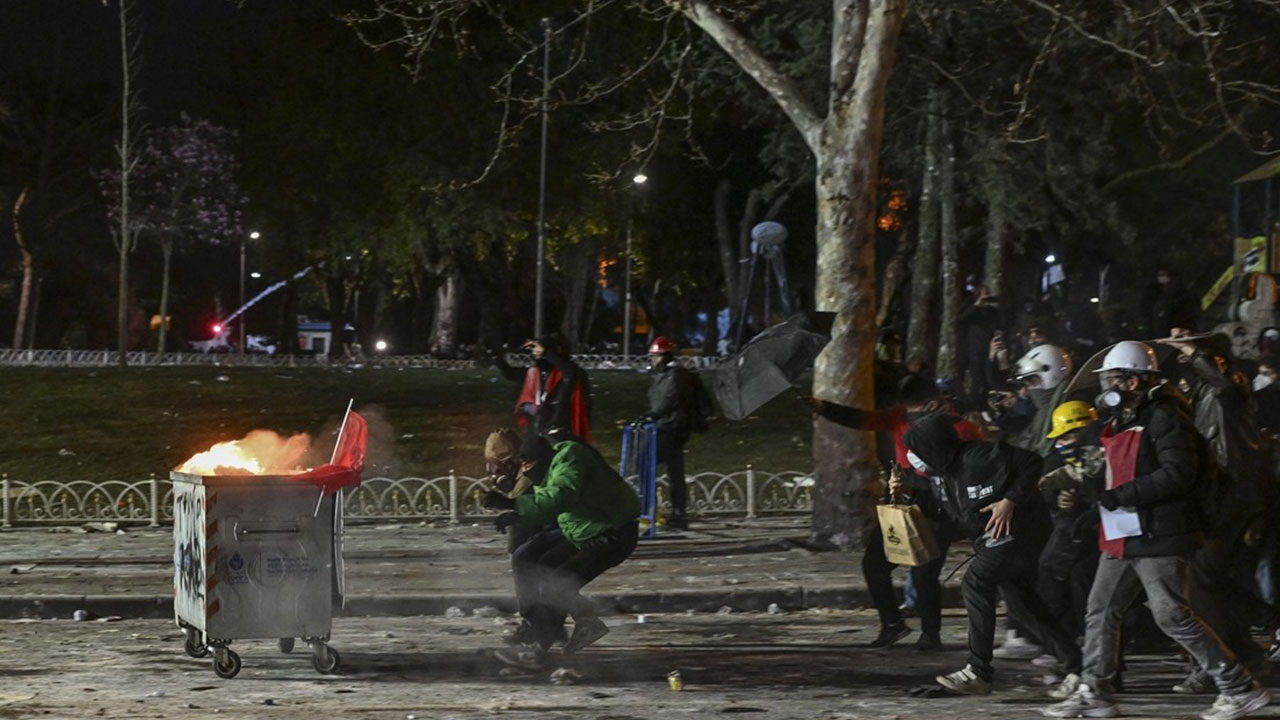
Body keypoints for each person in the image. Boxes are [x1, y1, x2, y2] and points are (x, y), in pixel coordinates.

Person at [1042, 341, 1271, 720]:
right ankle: (1094, 691)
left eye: (1113, 379)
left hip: (1160, 532)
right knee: (1101, 608)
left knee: (1171, 614)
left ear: (1134, 381)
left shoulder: (1166, 416)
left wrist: (1123, 495)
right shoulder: (1122, 419)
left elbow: (1178, 472)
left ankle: (1238, 687)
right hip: (1124, 530)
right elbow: (1107, 468)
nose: (1107, 387)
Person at [902, 413, 1082, 695]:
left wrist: (1009, 501)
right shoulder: (943, 474)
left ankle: (978, 671)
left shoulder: (979, 456)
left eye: (918, 448)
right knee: (1022, 604)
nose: (914, 457)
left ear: (933, 446)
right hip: (994, 538)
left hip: (1020, 531)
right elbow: (943, 512)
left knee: (976, 582)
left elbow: (1032, 462)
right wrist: (906, 493)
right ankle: (1077, 665)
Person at [807, 374, 984, 651]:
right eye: (907, 408)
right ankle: (892, 624)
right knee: (875, 564)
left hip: (940, 507)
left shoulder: (961, 429)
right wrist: (825, 408)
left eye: (917, 408)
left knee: (924, 572)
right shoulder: (898, 417)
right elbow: (864, 420)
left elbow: (973, 471)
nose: (910, 415)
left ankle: (930, 634)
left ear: (934, 402)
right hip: (904, 503)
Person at [482, 429, 640, 670]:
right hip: (582, 528)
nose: (528, 476)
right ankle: (545, 624)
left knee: (557, 583)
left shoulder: (570, 459)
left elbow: (560, 497)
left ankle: (536, 648)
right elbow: (550, 505)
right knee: (526, 558)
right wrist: (518, 517)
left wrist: (513, 503)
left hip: (611, 533)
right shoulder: (548, 468)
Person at [641, 336, 698, 530]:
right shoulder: (666, 374)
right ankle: (677, 513)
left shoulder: (676, 375)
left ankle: (658, 511)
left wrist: (653, 414)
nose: (653, 360)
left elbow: (670, 399)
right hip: (668, 426)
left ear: (664, 356)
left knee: (648, 464)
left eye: (655, 356)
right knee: (674, 471)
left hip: (672, 427)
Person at [508, 335, 592, 442]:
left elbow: (570, 373)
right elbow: (512, 375)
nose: (536, 353)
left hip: (561, 428)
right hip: (537, 426)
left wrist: (546, 352)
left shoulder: (571, 373)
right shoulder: (536, 372)